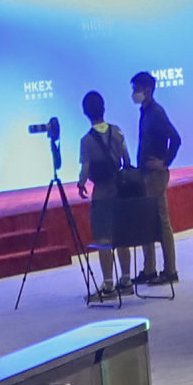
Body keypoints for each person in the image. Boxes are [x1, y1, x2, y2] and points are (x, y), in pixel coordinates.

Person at [76, 89, 136, 297]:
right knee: (122, 237)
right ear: (104, 108)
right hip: (120, 190)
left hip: (101, 193)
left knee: (103, 238)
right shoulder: (117, 132)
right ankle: (126, 280)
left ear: (85, 113)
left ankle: (108, 283)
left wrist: (81, 183)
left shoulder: (86, 141)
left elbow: (85, 168)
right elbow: (127, 160)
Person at [129, 69, 184, 285]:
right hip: (144, 174)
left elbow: (176, 139)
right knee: (146, 221)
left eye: (137, 89)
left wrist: (164, 162)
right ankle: (149, 269)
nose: (134, 93)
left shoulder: (157, 113)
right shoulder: (145, 112)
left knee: (161, 222)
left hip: (156, 175)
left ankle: (170, 270)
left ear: (148, 90)